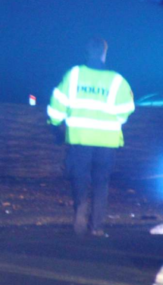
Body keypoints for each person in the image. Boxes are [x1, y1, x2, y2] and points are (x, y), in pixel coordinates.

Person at [47, 37, 135, 237]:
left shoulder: (74, 74)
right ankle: (97, 226)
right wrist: (115, 120)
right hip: (107, 140)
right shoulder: (117, 80)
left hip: (80, 137)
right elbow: (127, 108)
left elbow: (57, 102)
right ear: (105, 53)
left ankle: (80, 208)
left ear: (86, 52)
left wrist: (55, 122)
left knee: (79, 177)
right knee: (101, 181)